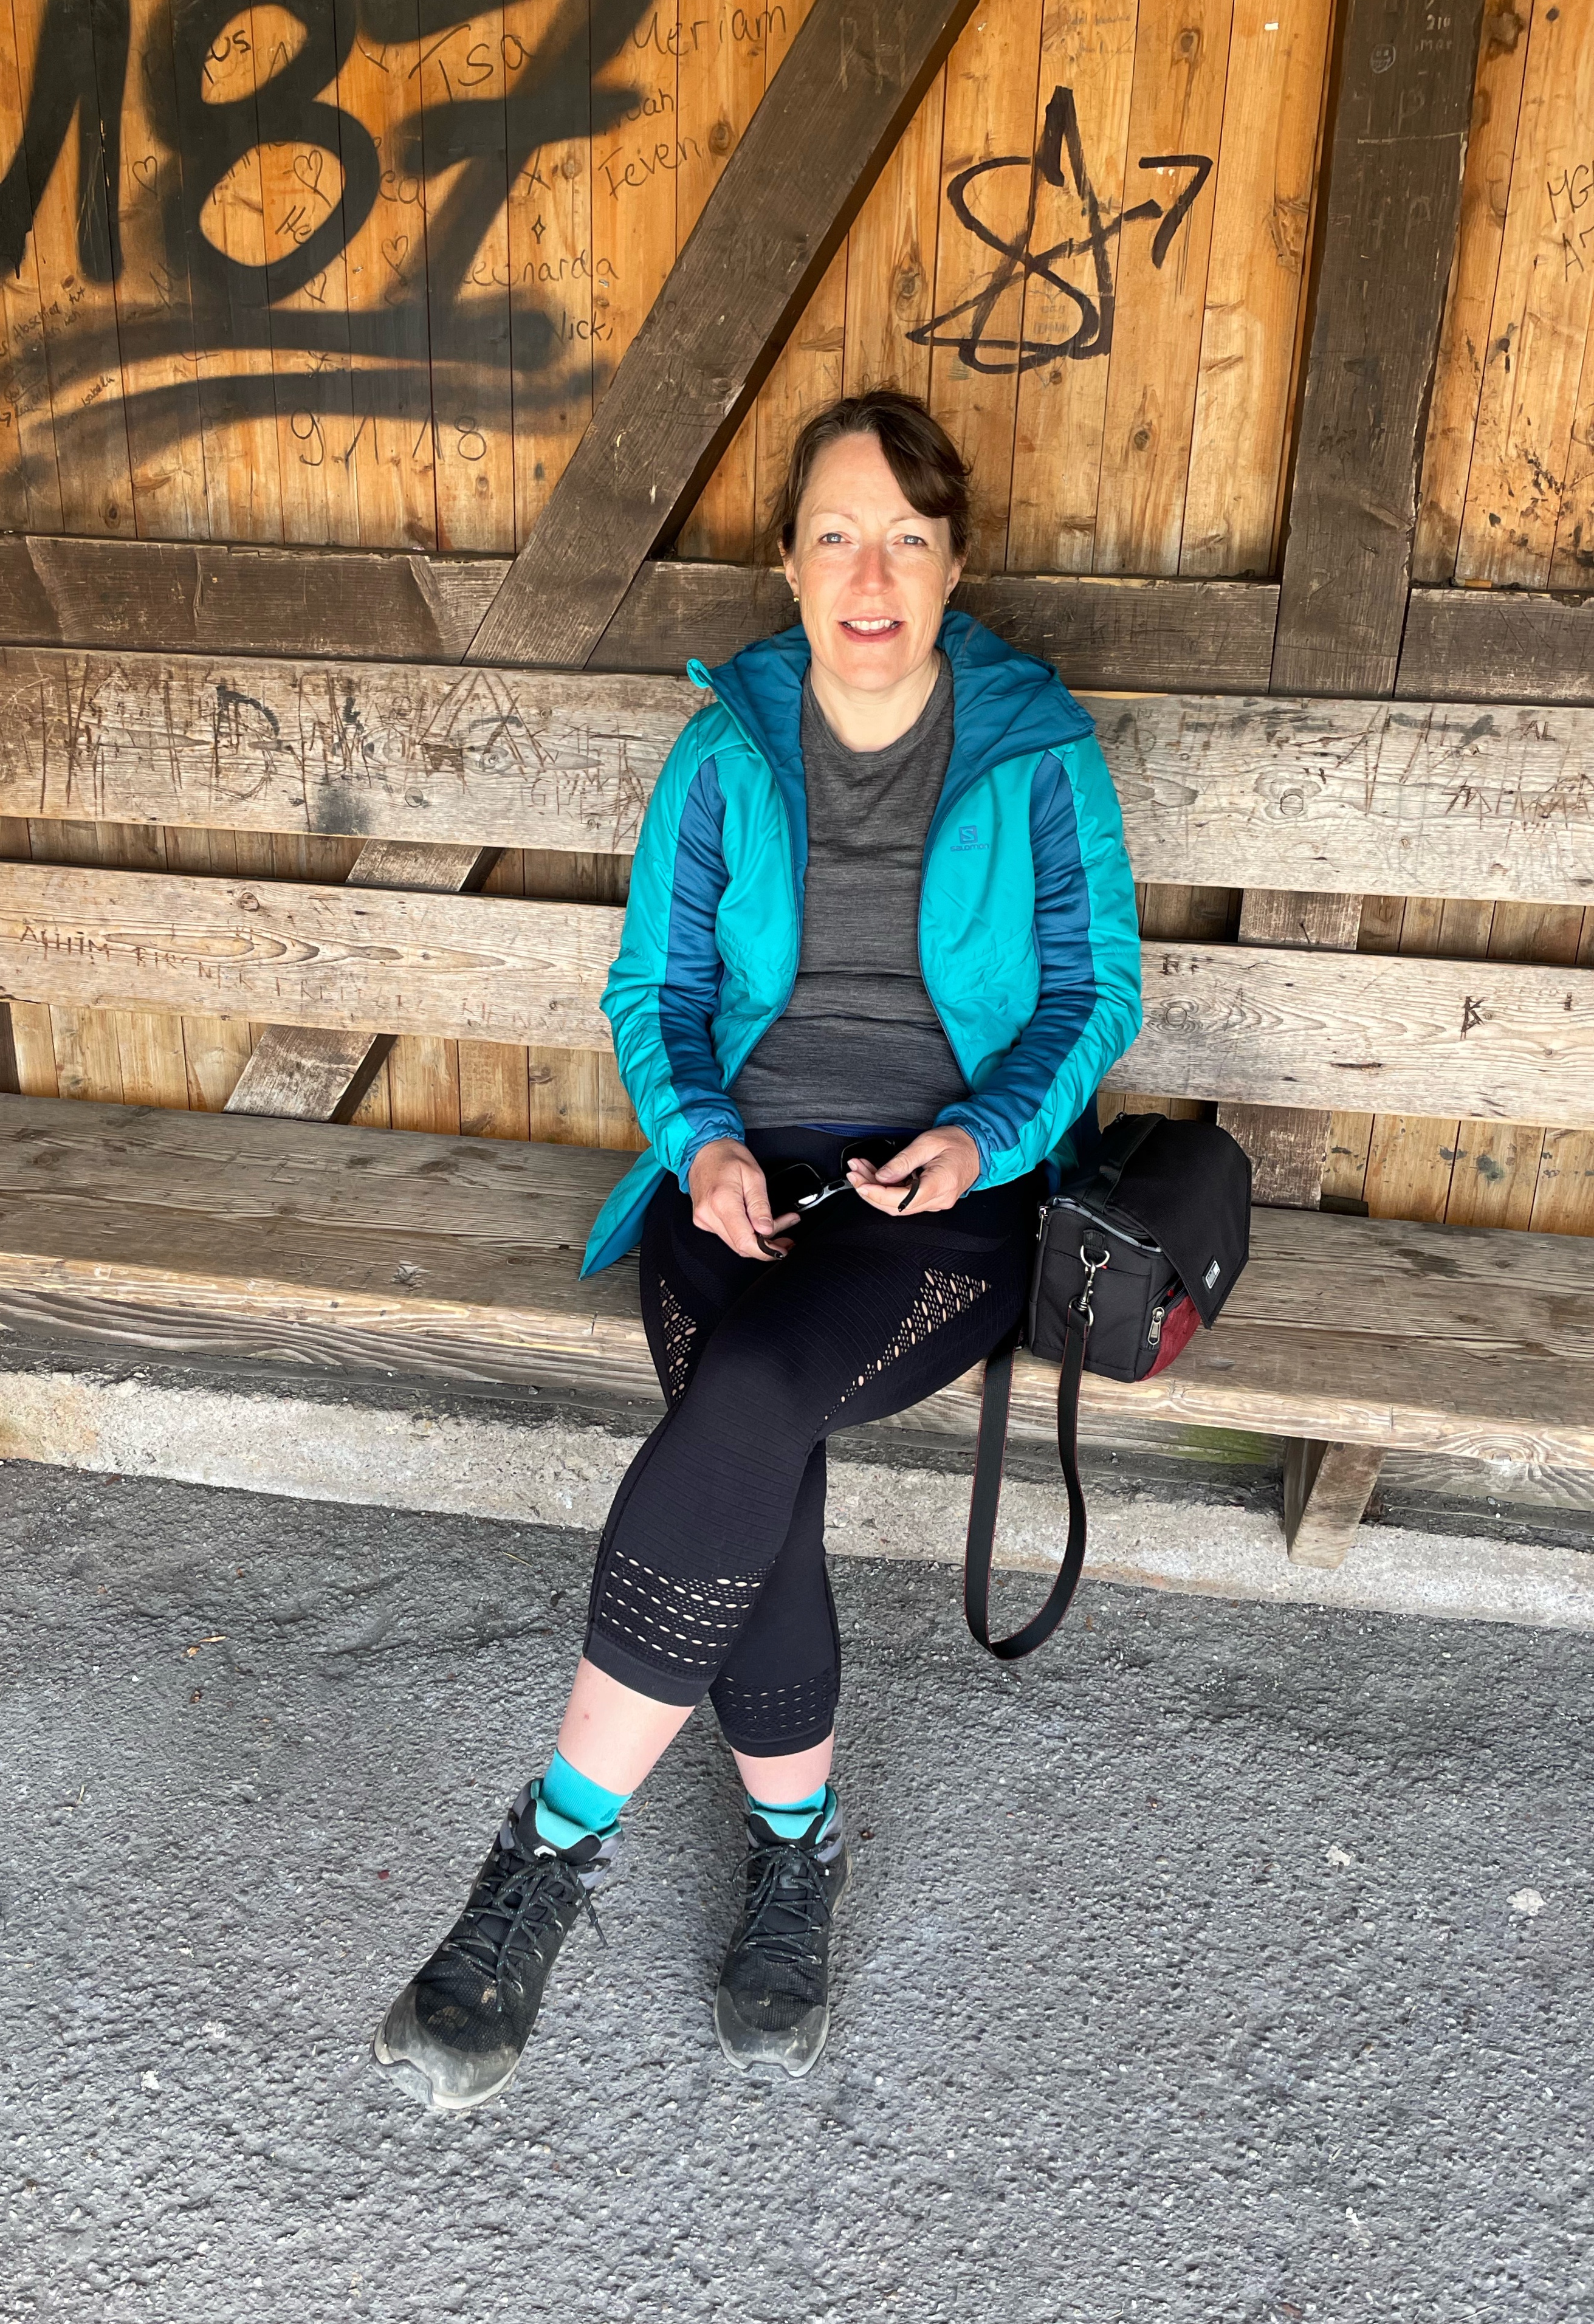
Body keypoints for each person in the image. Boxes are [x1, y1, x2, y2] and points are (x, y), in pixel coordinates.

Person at [373, 390, 1142, 2111]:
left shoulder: (1039, 751)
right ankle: (798, 1849)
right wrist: (704, 1144)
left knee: (756, 1392)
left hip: (948, 1198)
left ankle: (545, 1858)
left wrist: (981, 1138)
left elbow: (1095, 997)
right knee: (755, 1440)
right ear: (787, 564)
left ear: (955, 563)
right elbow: (651, 990)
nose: (870, 577)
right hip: (737, 1180)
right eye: (835, 538)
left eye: (906, 541)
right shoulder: (724, 748)